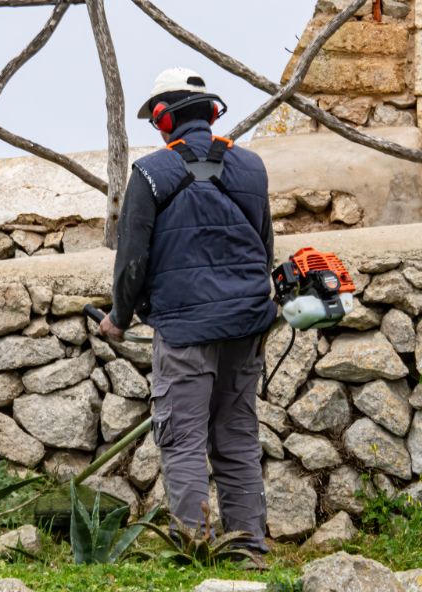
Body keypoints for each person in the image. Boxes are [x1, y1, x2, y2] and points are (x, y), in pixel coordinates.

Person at [98, 67, 276, 553]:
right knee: (236, 436)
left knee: (181, 438)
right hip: (246, 324)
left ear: (162, 119)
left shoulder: (150, 174)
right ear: (211, 114)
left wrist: (119, 317)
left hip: (184, 329)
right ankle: (248, 550)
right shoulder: (252, 167)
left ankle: (196, 550)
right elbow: (264, 249)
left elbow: (132, 261)